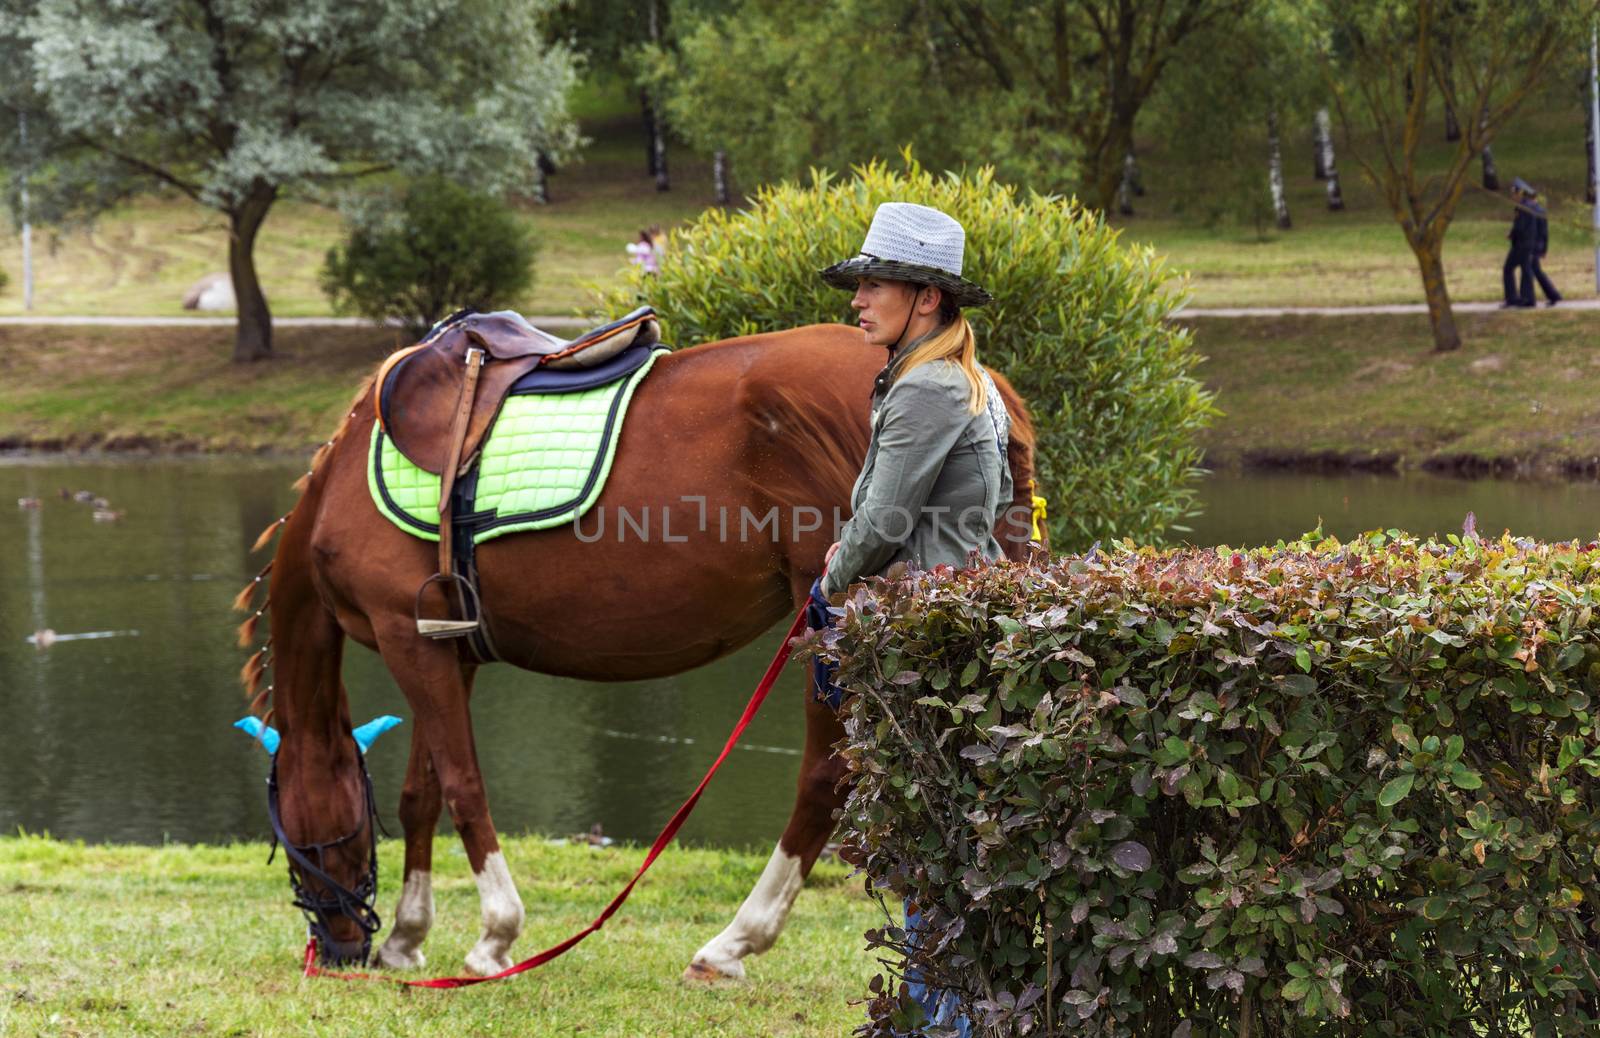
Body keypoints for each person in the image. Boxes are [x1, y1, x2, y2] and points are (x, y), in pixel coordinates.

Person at [813, 201, 1012, 1037]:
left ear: (925, 298)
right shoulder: (948, 374)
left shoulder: (929, 386)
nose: (858, 300)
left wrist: (827, 585)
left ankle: (946, 1022)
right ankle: (939, 1016)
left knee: (932, 843)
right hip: (950, 627)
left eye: (873, 285)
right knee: (938, 839)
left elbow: (884, 522)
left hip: (934, 640)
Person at [1502, 178, 1539, 309]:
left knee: (1508, 268)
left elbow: (1520, 227)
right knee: (1526, 269)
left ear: (1519, 193)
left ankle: (1512, 298)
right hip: (1528, 243)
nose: (1512, 196)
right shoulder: (1530, 205)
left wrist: (1511, 235)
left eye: (1513, 193)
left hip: (1521, 244)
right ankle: (1528, 299)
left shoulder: (1522, 207)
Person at [1526, 184, 1561, 306]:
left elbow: (1538, 231)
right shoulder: (1540, 210)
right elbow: (1545, 233)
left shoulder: (1534, 211)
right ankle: (1553, 295)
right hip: (1538, 245)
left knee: (1533, 271)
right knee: (1535, 271)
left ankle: (1552, 295)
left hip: (1534, 246)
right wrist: (1544, 248)